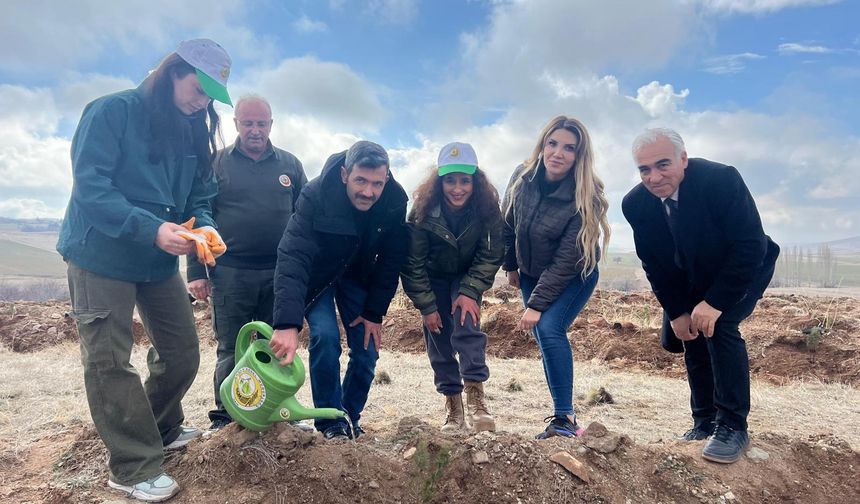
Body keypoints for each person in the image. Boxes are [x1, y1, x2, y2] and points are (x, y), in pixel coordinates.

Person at [56, 39, 232, 501]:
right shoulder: (112, 111)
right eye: (199, 88)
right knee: (109, 362)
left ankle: (156, 428)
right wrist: (153, 229)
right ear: (173, 72)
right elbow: (92, 188)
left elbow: (200, 196)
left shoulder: (193, 128)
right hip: (100, 254)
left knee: (182, 353)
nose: (203, 101)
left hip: (154, 260)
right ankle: (132, 466)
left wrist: (204, 229)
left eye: (211, 95)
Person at [622, 128, 779, 464]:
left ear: (683, 159)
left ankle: (733, 426)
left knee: (718, 327)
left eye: (662, 164)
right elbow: (653, 263)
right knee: (689, 333)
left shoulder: (720, 180)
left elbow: (751, 246)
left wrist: (716, 302)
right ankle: (704, 420)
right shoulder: (635, 204)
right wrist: (677, 311)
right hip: (691, 274)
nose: (654, 176)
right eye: (644, 169)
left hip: (742, 267)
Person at [268, 141, 408, 440]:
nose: (368, 192)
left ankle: (349, 416)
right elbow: (293, 254)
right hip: (319, 277)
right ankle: (331, 423)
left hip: (358, 277)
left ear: (386, 179)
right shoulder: (316, 194)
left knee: (368, 350)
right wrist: (287, 322)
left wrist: (374, 312)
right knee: (326, 337)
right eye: (361, 180)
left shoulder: (394, 201)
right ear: (345, 174)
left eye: (377, 183)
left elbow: (391, 260)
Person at [186, 95, 307, 430]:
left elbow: (306, 219)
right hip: (230, 273)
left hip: (280, 274)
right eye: (248, 123)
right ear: (236, 123)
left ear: (271, 124)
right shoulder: (215, 164)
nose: (255, 130)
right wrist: (197, 272)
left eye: (262, 123)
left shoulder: (291, 166)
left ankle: (277, 414)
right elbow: (197, 216)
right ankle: (226, 417)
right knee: (230, 349)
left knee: (278, 349)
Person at [502, 115, 610, 440]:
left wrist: (535, 305)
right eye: (553, 143)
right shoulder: (522, 177)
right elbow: (507, 223)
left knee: (548, 328)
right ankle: (562, 415)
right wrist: (511, 266)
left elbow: (567, 260)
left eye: (569, 148)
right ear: (543, 144)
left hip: (574, 273)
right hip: (532, 273)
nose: (558, 153)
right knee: (544, 337)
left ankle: (564, 418)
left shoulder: (585, 194)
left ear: (580, 155)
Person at [401, 142, 504, 433]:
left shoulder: (486, 209)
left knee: (466, 325)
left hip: (466, 275)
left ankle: (476, 400)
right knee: (438, 338)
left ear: (475, 181)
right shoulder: (422, 212)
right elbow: (413, 263)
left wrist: (470, 291)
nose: (457, 188)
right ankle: (453, 406)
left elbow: (493, 252)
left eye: (464, 180)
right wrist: (427, 307)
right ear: (439, 181)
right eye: (450, 180)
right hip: (432, 278)